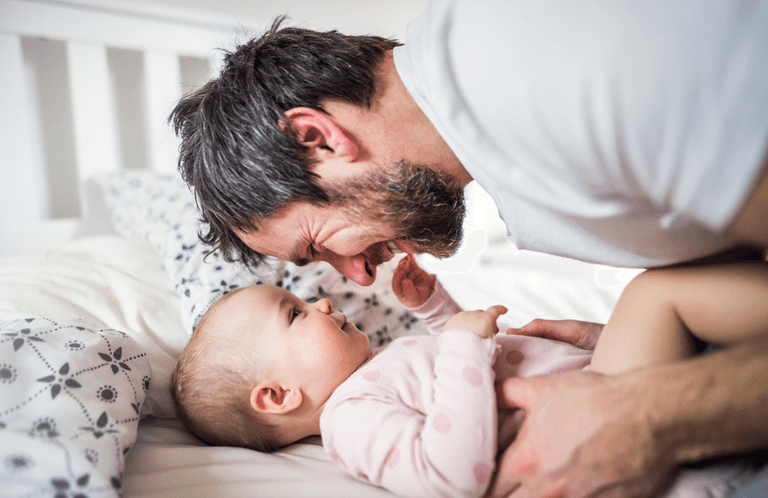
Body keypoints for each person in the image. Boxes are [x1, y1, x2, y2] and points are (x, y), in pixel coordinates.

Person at [169, 1, 768, 495]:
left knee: (657, 294)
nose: (353, 277)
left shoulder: (565, 79)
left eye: (317, 244)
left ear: (316, 138)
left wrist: (650, 411)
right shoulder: (496, 128)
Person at [171, 254, 768, 497]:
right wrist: (458, 346)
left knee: (692, 294)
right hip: (599, 416)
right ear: (278, 396)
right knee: (656, 293)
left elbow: (463, 378)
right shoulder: (348, 420)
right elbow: (450, 469)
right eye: (295, 314)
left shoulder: (380, 368)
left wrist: (436, 310)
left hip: (613, 385)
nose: (322, 304)